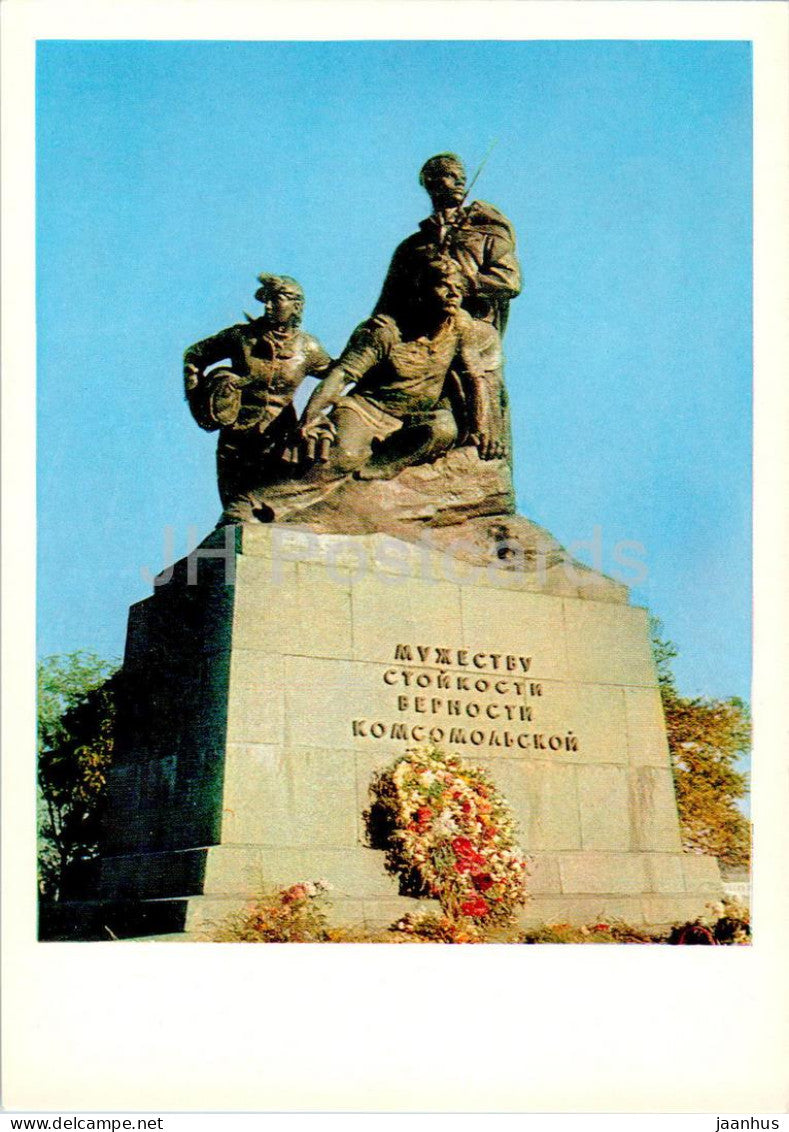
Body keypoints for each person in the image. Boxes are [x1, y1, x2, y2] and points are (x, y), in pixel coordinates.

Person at [298, 256, 507, 483]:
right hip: (365, 412)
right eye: (444, 285)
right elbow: (341, 375)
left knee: (444, 428)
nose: (453, 294)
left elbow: (474, 378)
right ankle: (264, 503)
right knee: (340, 459)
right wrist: (311, 417)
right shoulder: (386, 331)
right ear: (422, 290)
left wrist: (481, 429)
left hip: (412, 420)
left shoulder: (460, 326)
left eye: (458, 288)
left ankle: (380, 467)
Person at [183, 274, 332, 514]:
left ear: (296, 305)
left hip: (279, 442)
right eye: (267, 300)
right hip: (236, 440)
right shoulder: (241, 337)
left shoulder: (308, 347)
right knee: (235, 513)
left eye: (276, 300)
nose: (268, 306)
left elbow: (339, 375)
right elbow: (194, 356)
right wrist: (199, 402)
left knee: (271, 513)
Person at [374, 152, 521, 335]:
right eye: (451, 175)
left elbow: (509, 281)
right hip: (418, 330)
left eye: (462, 178)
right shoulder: (411, 247)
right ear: (431, 181)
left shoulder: (486, 233)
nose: (460, 182)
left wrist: (460, 283)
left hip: (471, 325)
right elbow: (388, 304)